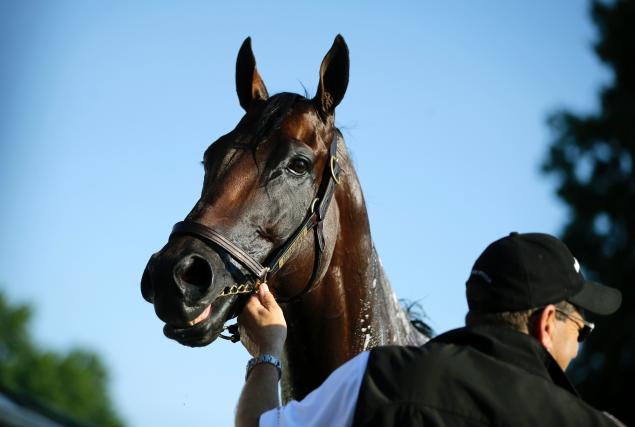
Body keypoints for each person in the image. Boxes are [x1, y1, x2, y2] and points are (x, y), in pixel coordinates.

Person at [235, 232, 624, 427]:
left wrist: (268, 348)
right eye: (581, 330)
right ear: (545, 323)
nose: (577, 347)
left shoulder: (380, 378)